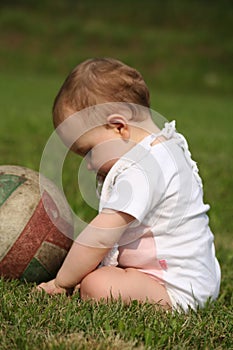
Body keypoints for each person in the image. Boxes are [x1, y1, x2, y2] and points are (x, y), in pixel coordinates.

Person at [37, 58, 221, 312]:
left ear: (119, 127)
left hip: (176, 287)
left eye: (89, 151)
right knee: (98, 276)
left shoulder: (143, 170)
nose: (88, 166)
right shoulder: (162, 149)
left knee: (96, 286)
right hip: (193, 277)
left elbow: (100, 235)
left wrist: (62, 282)